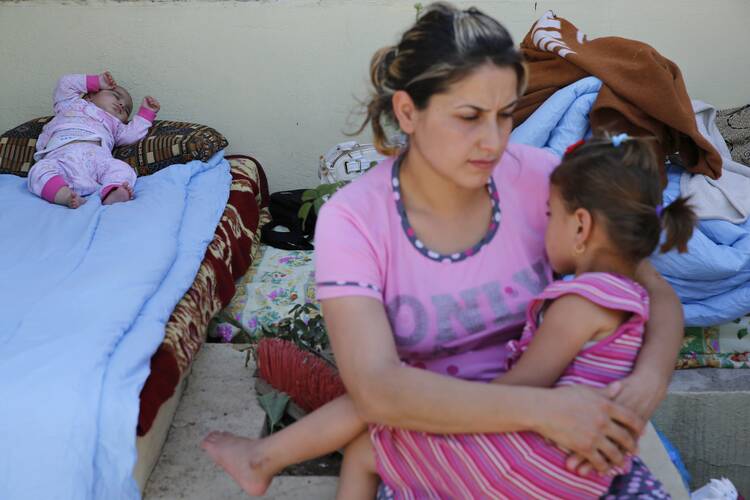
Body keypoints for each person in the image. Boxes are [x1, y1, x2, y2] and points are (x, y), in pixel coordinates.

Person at [203, 3, 687, 497]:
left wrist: (649, 377)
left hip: (563, 438)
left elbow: (649, 285)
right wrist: (548, 411)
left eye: (504, 116)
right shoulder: (354, 220)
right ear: (408, 111)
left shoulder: (545, 180)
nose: (494, 141)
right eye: (470, 117)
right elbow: (376, 390)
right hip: (438, 427)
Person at [27, 71, 160, 208]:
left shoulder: (116, 125)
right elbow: (65, 84)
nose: (121, 105)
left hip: (96, 159)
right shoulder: (71, 104)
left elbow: (132, 134)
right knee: (38, 172)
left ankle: (113, 192)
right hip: (61, 156)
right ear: (90, 96)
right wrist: (97, 81)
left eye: (126, 110)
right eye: (116, 96)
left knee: (123, 169)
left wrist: (147, 112)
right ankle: (65, 196)